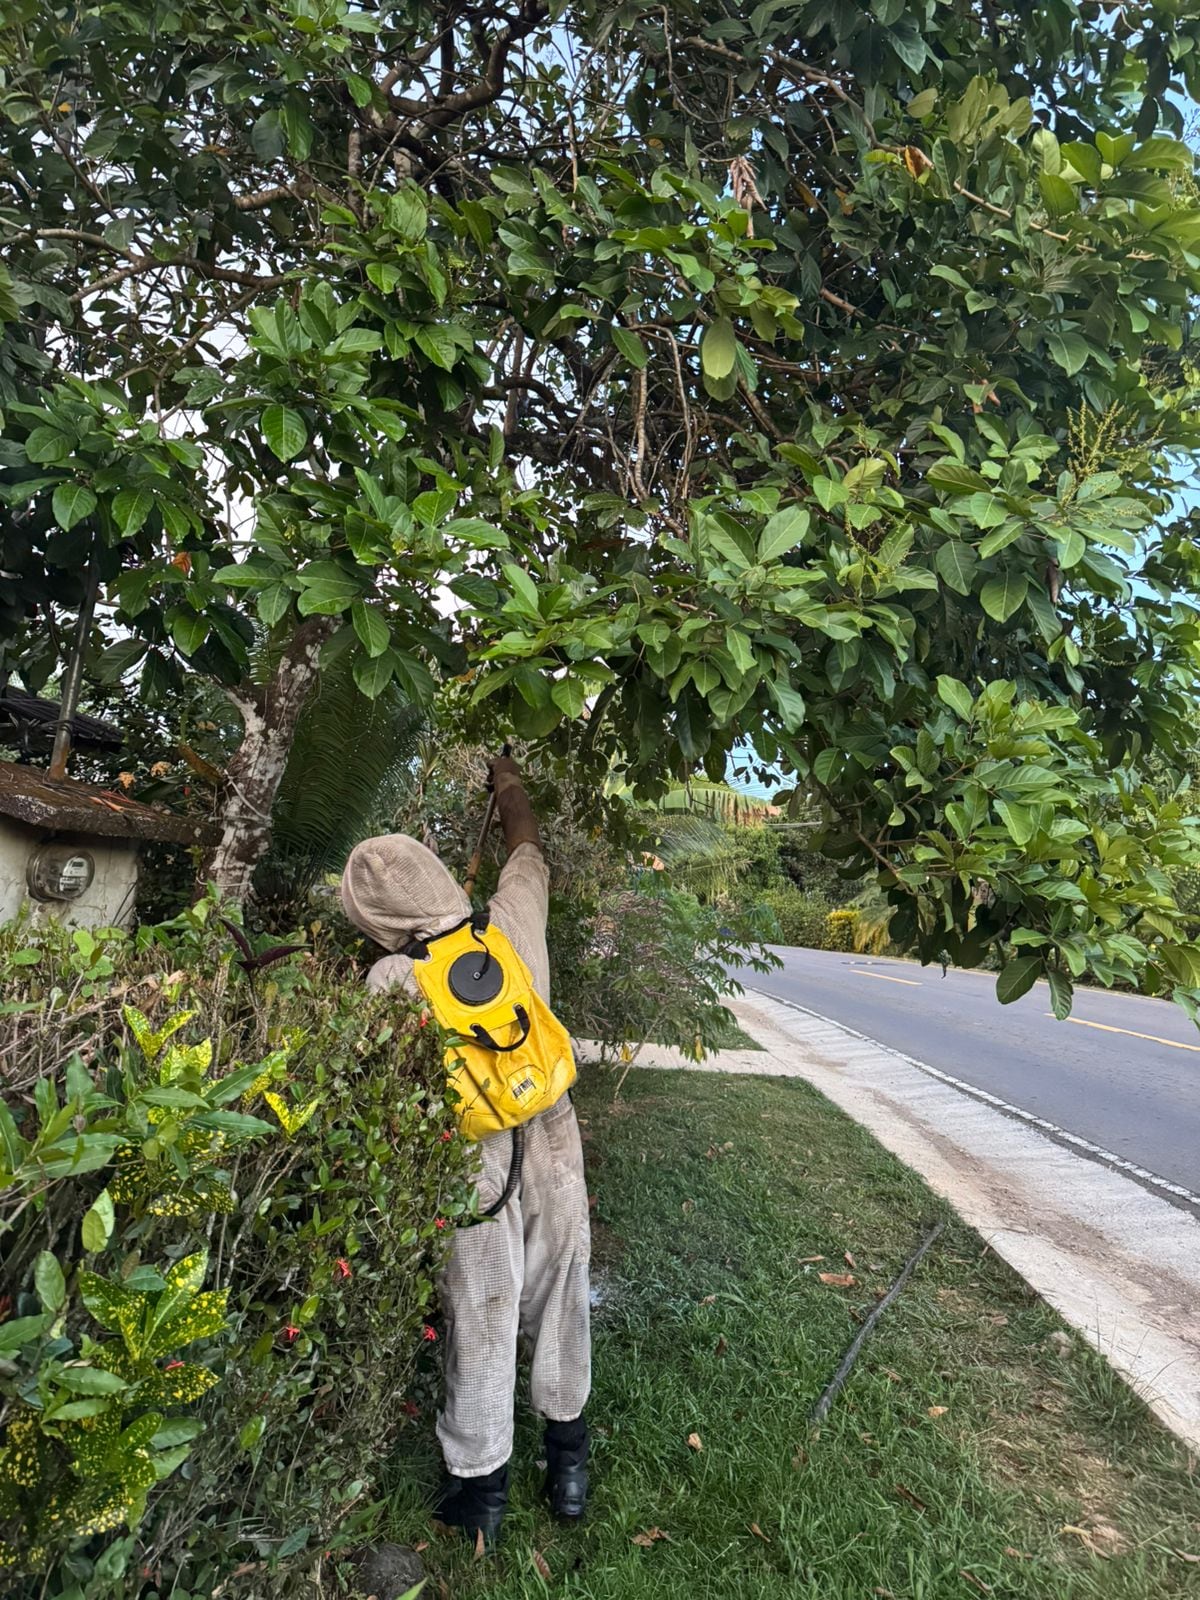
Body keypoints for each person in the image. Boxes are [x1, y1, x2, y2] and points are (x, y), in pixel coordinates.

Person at [339, 755, 591, 1545]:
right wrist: (509, 782)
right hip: (551, 1123)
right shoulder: (512, 918)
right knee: (563, 1286)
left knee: (482, 1309)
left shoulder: (390, 978)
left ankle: (479, 1497)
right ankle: (569, 1465)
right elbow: (527, 845)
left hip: (471, 1156)